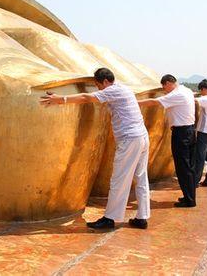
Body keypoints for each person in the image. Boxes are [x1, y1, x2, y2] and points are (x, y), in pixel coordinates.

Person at [39, 68, 150, 230]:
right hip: (141, 136)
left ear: (105, 81)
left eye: (98, 85)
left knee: (119, 179)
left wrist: (60, 99)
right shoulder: (124, 88)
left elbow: (86, 97)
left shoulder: (112, 90)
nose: (99, 89)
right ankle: (142, 217)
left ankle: (110, 218)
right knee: (141, 177)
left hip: (130, 139)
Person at [138, 74, 197, 208]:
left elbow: (155, 102)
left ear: (169, 83)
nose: (164, 90)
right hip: (189, 131)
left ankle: (189, 200)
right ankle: (189, 196)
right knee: (188, 167)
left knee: (182, 167)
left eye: (164, 86)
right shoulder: (186, 90)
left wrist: (134, 102)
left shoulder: (177, 94)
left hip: (182, 133)